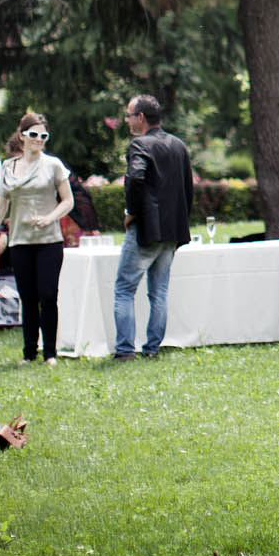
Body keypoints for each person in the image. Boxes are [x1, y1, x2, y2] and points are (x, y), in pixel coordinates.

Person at [0, 111, 74, 364]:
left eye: (44, 136)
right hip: (20, 241)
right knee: (28, 297)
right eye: (34, 134)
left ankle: (50, 354)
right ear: (22, 136)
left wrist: (50, 217)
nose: (39, 139)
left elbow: (68, 201)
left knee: (47, 295)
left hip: (48, 241)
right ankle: (29, 352)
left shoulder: (53, 165)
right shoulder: (8, 167)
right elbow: (1, 206)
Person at [114, 94, 194, 359]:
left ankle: (125, 349)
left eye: (128, 115)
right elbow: (187, 190)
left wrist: (131, 212)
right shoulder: (179, 145)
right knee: (158, 292)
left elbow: (135, 179)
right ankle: (152, 349)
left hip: (146, 230)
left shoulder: (140, 145)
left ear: (140, 117)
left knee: (124, 289)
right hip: (172, 231)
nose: (126, 120)